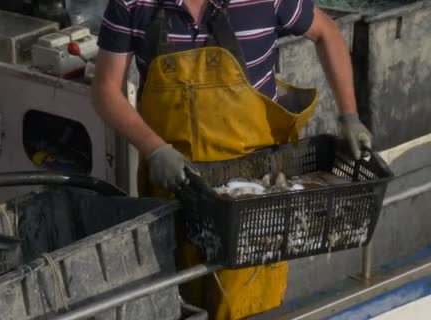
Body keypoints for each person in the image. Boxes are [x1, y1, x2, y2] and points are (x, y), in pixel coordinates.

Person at [91, 0, 373, 319]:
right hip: (170, 189)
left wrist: (349, 114)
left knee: (245, 304)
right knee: (171, 301)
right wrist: (154, 148)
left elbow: (327, 33)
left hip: (252, 204)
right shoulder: (132, 4)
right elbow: (105, 90)